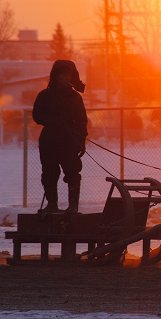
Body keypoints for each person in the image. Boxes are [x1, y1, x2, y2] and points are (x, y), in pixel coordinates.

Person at [33, 60, 88, 214]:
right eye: (61, 75)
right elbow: (37, 116)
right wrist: (54, 121)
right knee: (49, 173)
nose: (64, 78)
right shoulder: (44, 95)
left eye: (67, 75)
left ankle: (73, 207)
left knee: (72, 173)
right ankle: (52, 205)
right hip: (49, 141)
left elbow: (82, 121)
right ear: (55, 76)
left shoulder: (75, 97)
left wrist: (81, 141)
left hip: (69, 141)